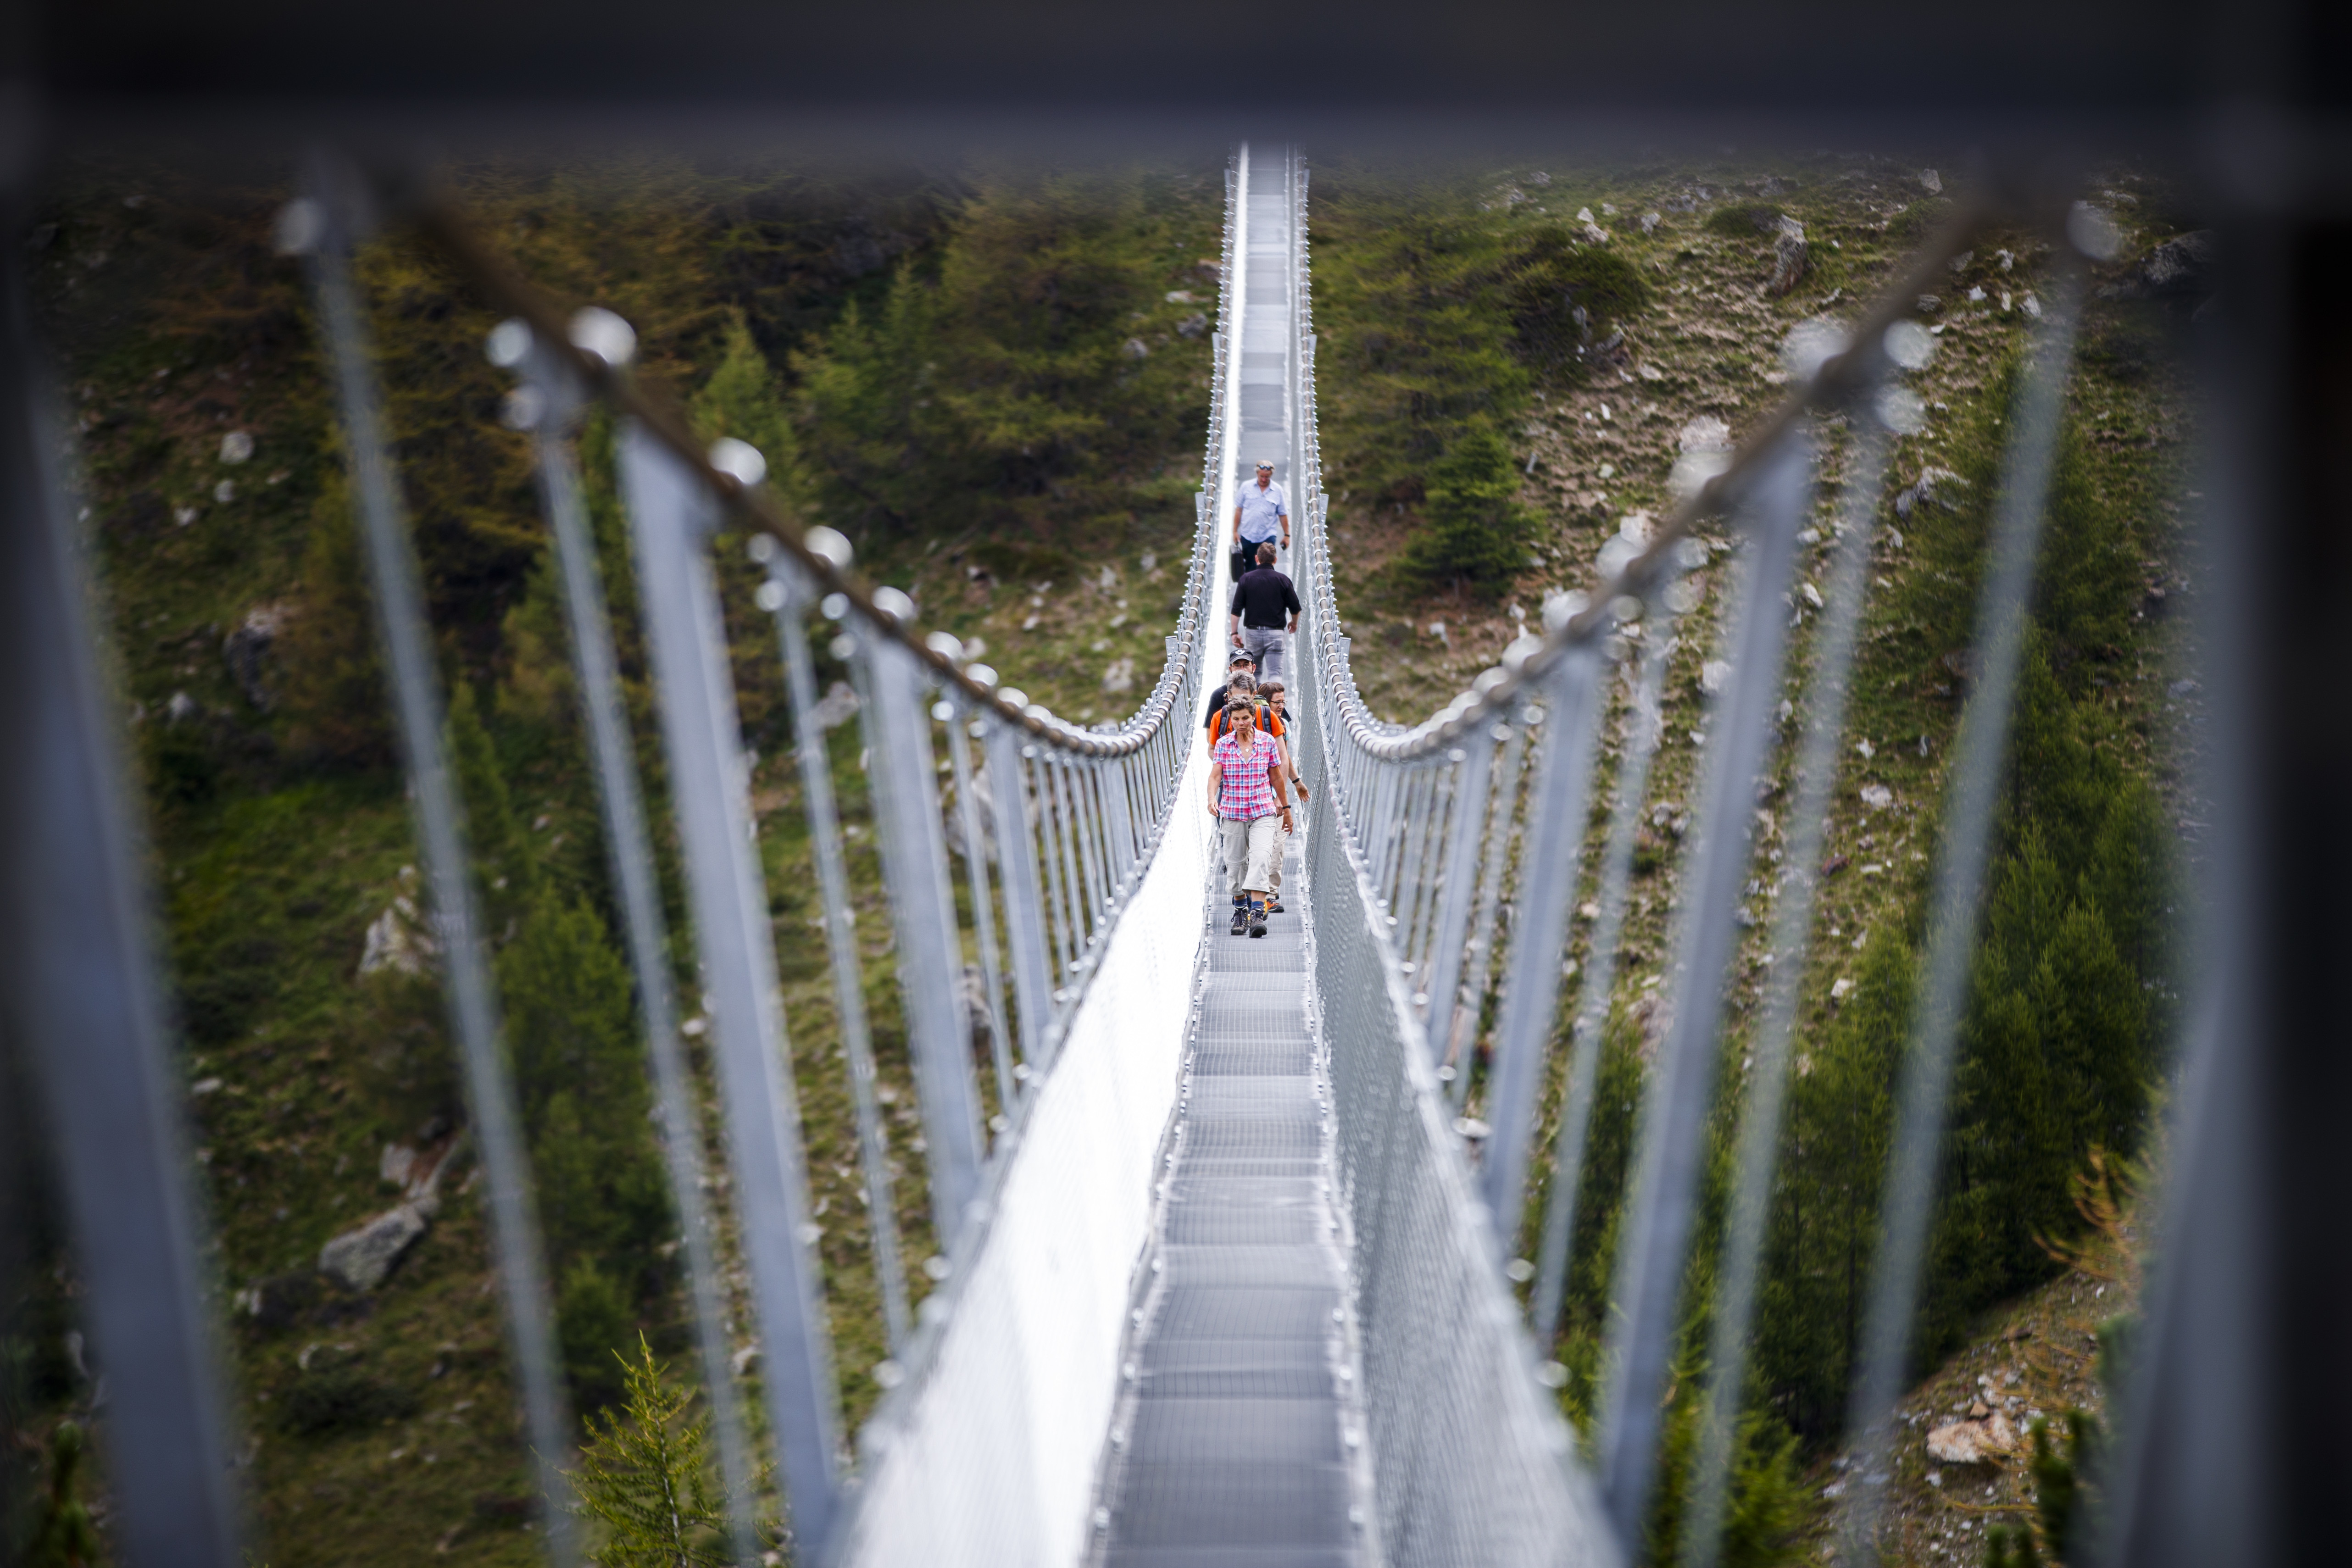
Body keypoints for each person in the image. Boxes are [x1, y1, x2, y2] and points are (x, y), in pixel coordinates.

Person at [1208, 700, 1293, 937]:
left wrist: (1285, 808)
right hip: (1233, 812)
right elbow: (1215, 776)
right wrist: (1211, 799)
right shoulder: (1224, 744)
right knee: (1235, 866)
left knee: (1261, 857)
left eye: (1245, 718)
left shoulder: (1266, 742)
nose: (1240, 723)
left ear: (1253, 717)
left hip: (1262, 811)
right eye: (1235, 719)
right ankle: (1240, 910)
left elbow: (1276, 777)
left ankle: (1257, 913)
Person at [1229, 540, 1301, 684]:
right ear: (1275, 560)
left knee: (1255, 674)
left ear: (1256, 559)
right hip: (1276, 633)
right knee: (1276, 674)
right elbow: (1296, 608)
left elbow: (1236, 611)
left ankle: (1254, 705)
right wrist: (1294, 622)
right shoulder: (1283, 580)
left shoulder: (1246, 579)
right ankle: (1275, 704)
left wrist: (1234, 633)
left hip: (1253, 633)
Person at [1230, 460, 1288, 583]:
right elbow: (1239, 510)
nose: (1264, 479)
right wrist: (1235, 531)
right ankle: (1251, 595)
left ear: (1271, 476)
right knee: (1250, 570)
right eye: (1261, 476)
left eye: (1267, 477)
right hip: (1248, 536)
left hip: (1268, 536)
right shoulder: (1246, 487)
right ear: (1257, 474)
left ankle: (1265, 593)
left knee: (1266, 569)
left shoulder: (1278, 490)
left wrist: (1287, 535)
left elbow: (1283, 514)